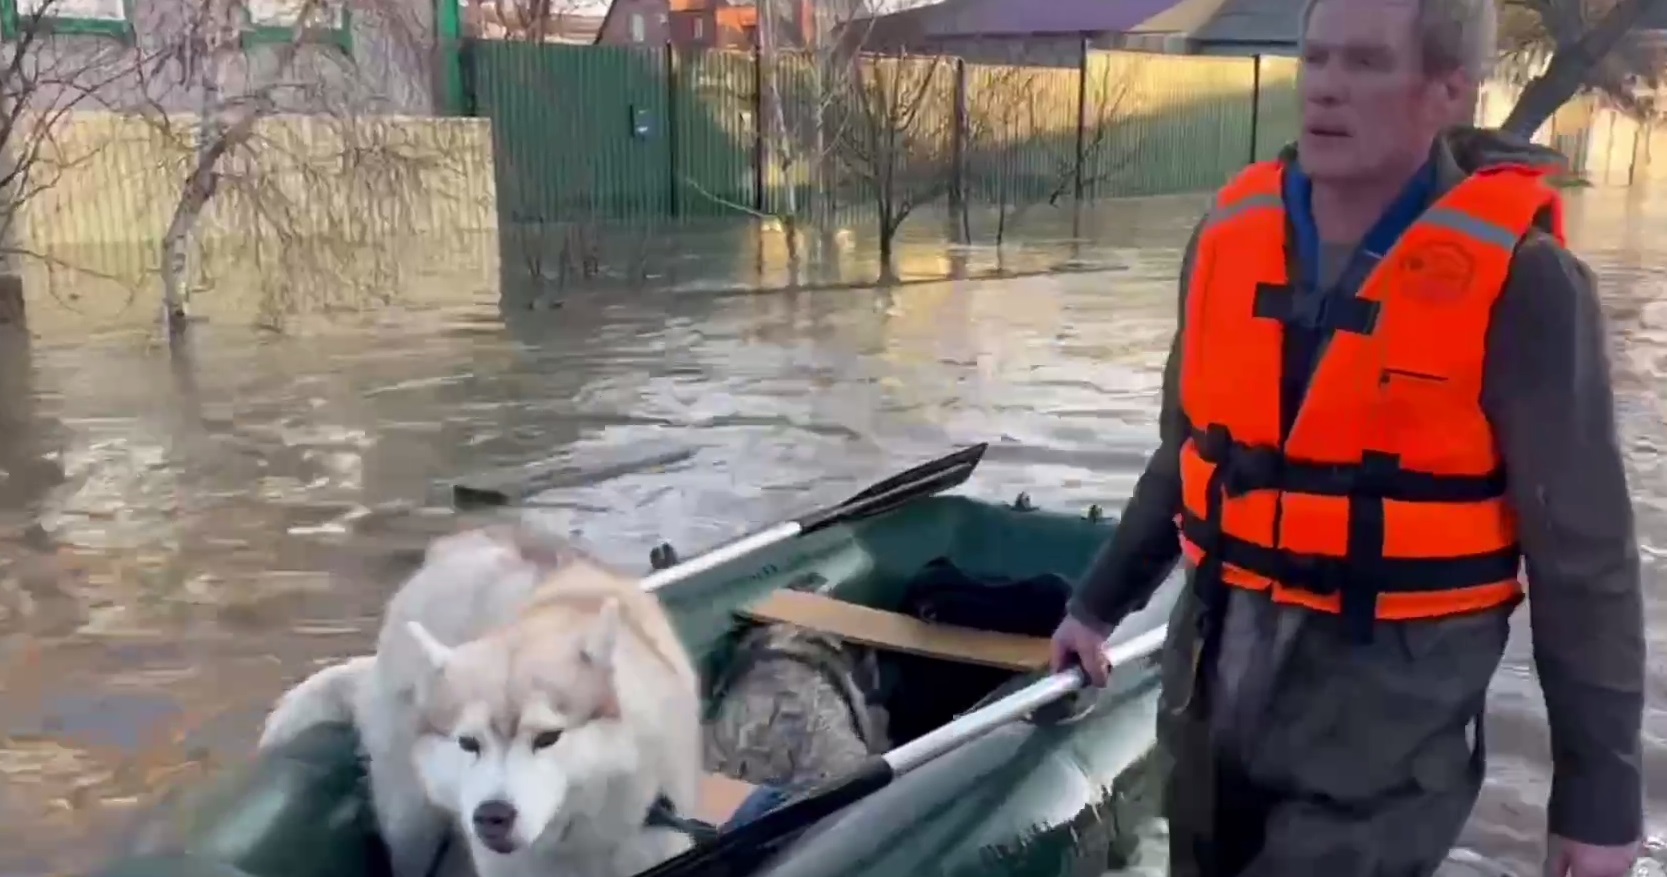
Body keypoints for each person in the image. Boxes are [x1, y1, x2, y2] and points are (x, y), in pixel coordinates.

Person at [1047, 1, 1645, 876]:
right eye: (1315, 58)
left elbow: (1585, 563)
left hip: (1383, 734)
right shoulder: (1226, 240)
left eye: (1363, 64)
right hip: (1212, 693)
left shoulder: (1526, 284)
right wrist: (1095, 605)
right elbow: (1188, 454)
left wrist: (1598, 801)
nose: (1325, 87)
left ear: (1448, 88)